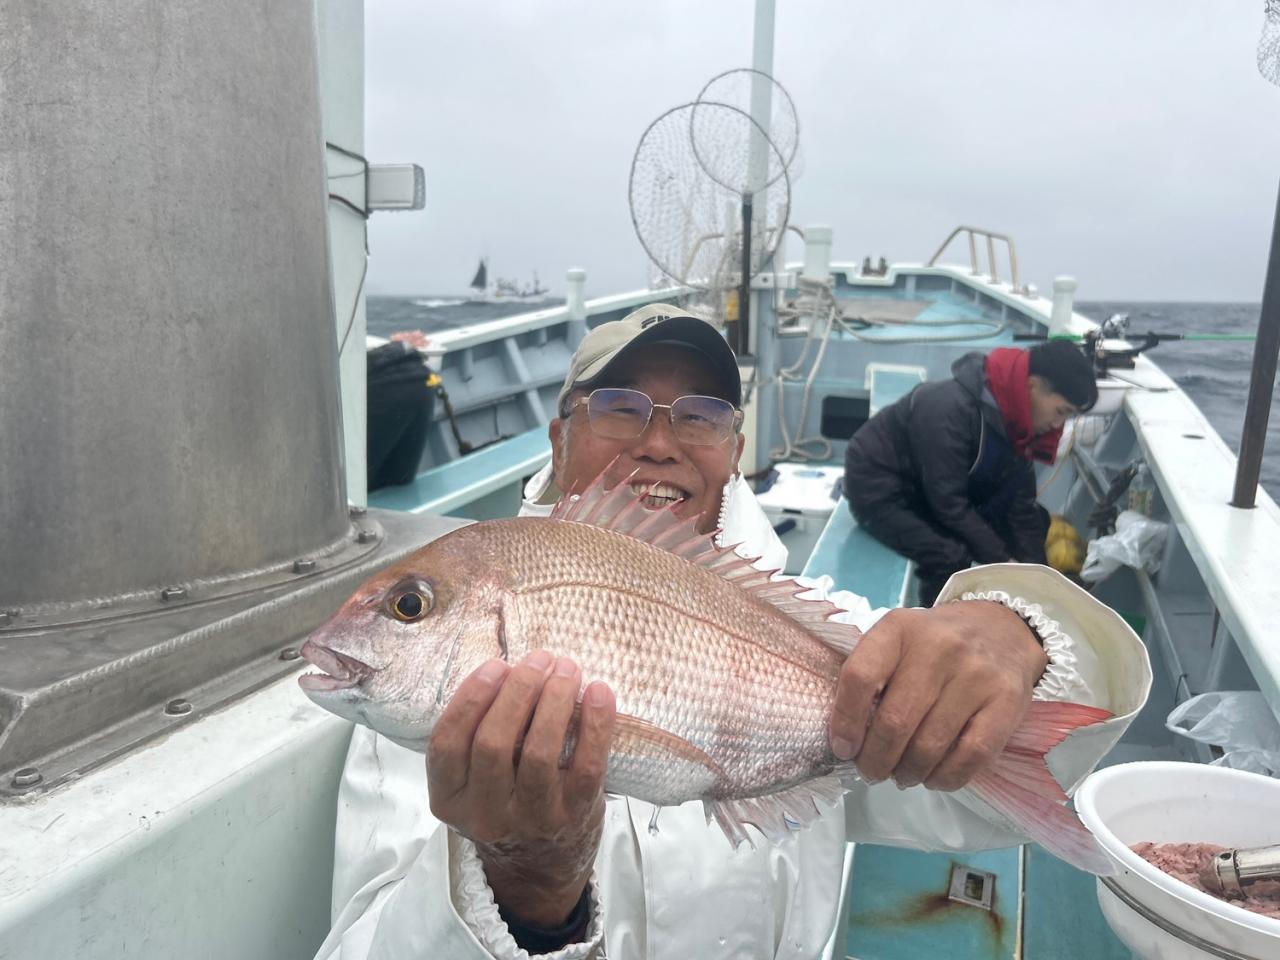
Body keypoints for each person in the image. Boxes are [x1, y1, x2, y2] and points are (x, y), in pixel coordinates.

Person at [315, 307, 1147, 960]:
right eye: (620, 408)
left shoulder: (824, 632)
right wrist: (522, 891)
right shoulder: (415, 710)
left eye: (701, 416)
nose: (659, 443)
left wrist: (1022, 630)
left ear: (735, 450)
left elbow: (979, 807)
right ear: (559, 438)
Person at [844, 342, 1098, 607]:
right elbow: (949, 504)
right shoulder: (947, 408)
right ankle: (936, 624)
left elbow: (1020, 508)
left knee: (1036, 521)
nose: (1058, 425)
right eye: (1061, 411)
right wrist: (1004, 562)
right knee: (950, 556)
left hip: (932, 488)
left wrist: (1037, 580)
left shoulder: (1019, 420)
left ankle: (1026, 613)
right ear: (1032, 385)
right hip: (880, 488)